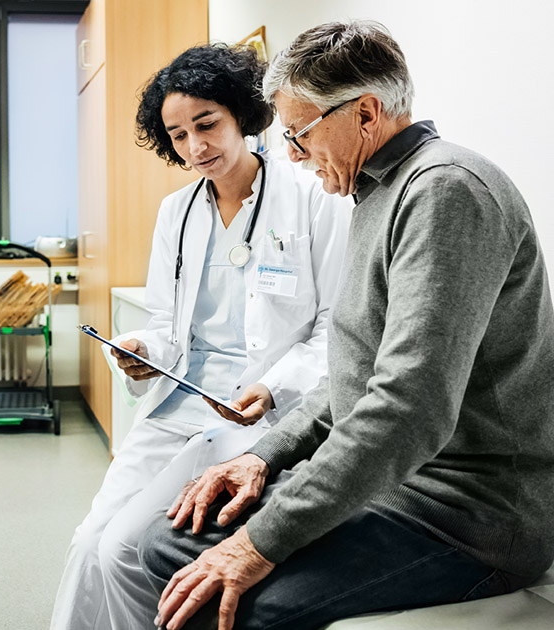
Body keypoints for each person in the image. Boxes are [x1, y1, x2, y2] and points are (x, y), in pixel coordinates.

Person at [141, 20, 554, 630]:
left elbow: (407, 408)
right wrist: (264, 458)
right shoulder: (377, 195)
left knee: (243, 603)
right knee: (169, 544)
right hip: (395, 485)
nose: (290, 154)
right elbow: (354, 374)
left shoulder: (447, 193)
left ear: (365, 113)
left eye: (300, 133)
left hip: (466, 516)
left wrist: (259, 543)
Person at [50, 44, 351, 630]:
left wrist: (271, 387)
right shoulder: (177, 212)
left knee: (125, 552)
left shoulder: (311, 198)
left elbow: (335, 329)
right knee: (91, 543)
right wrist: (142, 351)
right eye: (178, 135)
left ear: (242, 114)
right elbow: (167, 325)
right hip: (179, 402)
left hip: (258, 415)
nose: (196, 147)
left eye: (207, 125)